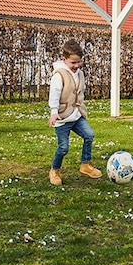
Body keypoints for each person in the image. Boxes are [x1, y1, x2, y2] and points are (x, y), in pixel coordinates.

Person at [47, 39, 102, 186]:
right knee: (63, 148)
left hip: (76, 116)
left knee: (89, 135)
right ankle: (55, 170)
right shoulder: (59, 75)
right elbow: (55, 94)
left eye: (79, 62)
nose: (76, 66)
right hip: (63, 117)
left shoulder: (80, 73)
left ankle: (85, 164)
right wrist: (54, 112)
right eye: (73, 63)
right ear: (64, 59)